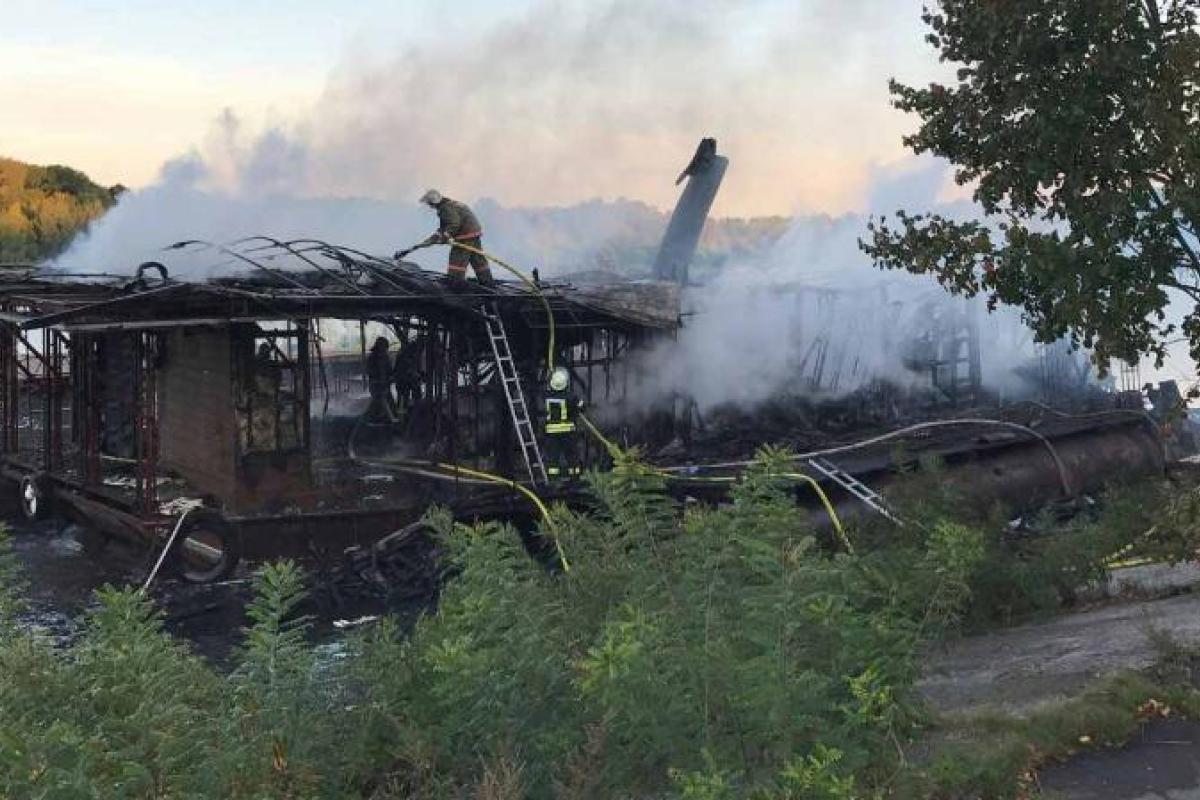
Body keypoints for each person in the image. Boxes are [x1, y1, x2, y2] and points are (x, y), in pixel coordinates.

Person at [416, 189, 495, 286]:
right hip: (473, 234)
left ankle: (455, 284)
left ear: (433, 202)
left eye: (429, 203)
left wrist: (444, 237)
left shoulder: (446, 208)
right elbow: (444, 226)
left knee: (457, 259)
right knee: (478, 260)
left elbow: (454, 224)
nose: (429, 206)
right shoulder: (451, 204)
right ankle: (487, 282)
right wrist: (433, 238)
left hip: (465, 236)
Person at [543, 366, 582, 480]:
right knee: (571, 456)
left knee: (553, 457)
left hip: (551, 432)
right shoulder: (570, 396)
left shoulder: (547, 396)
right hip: (567, 432)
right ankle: (575, 478)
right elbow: (581, 406)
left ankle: (553, 480)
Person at [365, 336, 397, 423]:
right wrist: (379, 379)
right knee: (378, 403)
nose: (385, 350)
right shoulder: (372, 358)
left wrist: (391, 377)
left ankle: (387, 421)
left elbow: (389, 370)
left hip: (385, 385)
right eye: (384, 347)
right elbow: (370, 372)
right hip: (376, 385)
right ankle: (372, 421)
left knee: (389, 404)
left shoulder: (386, 357)